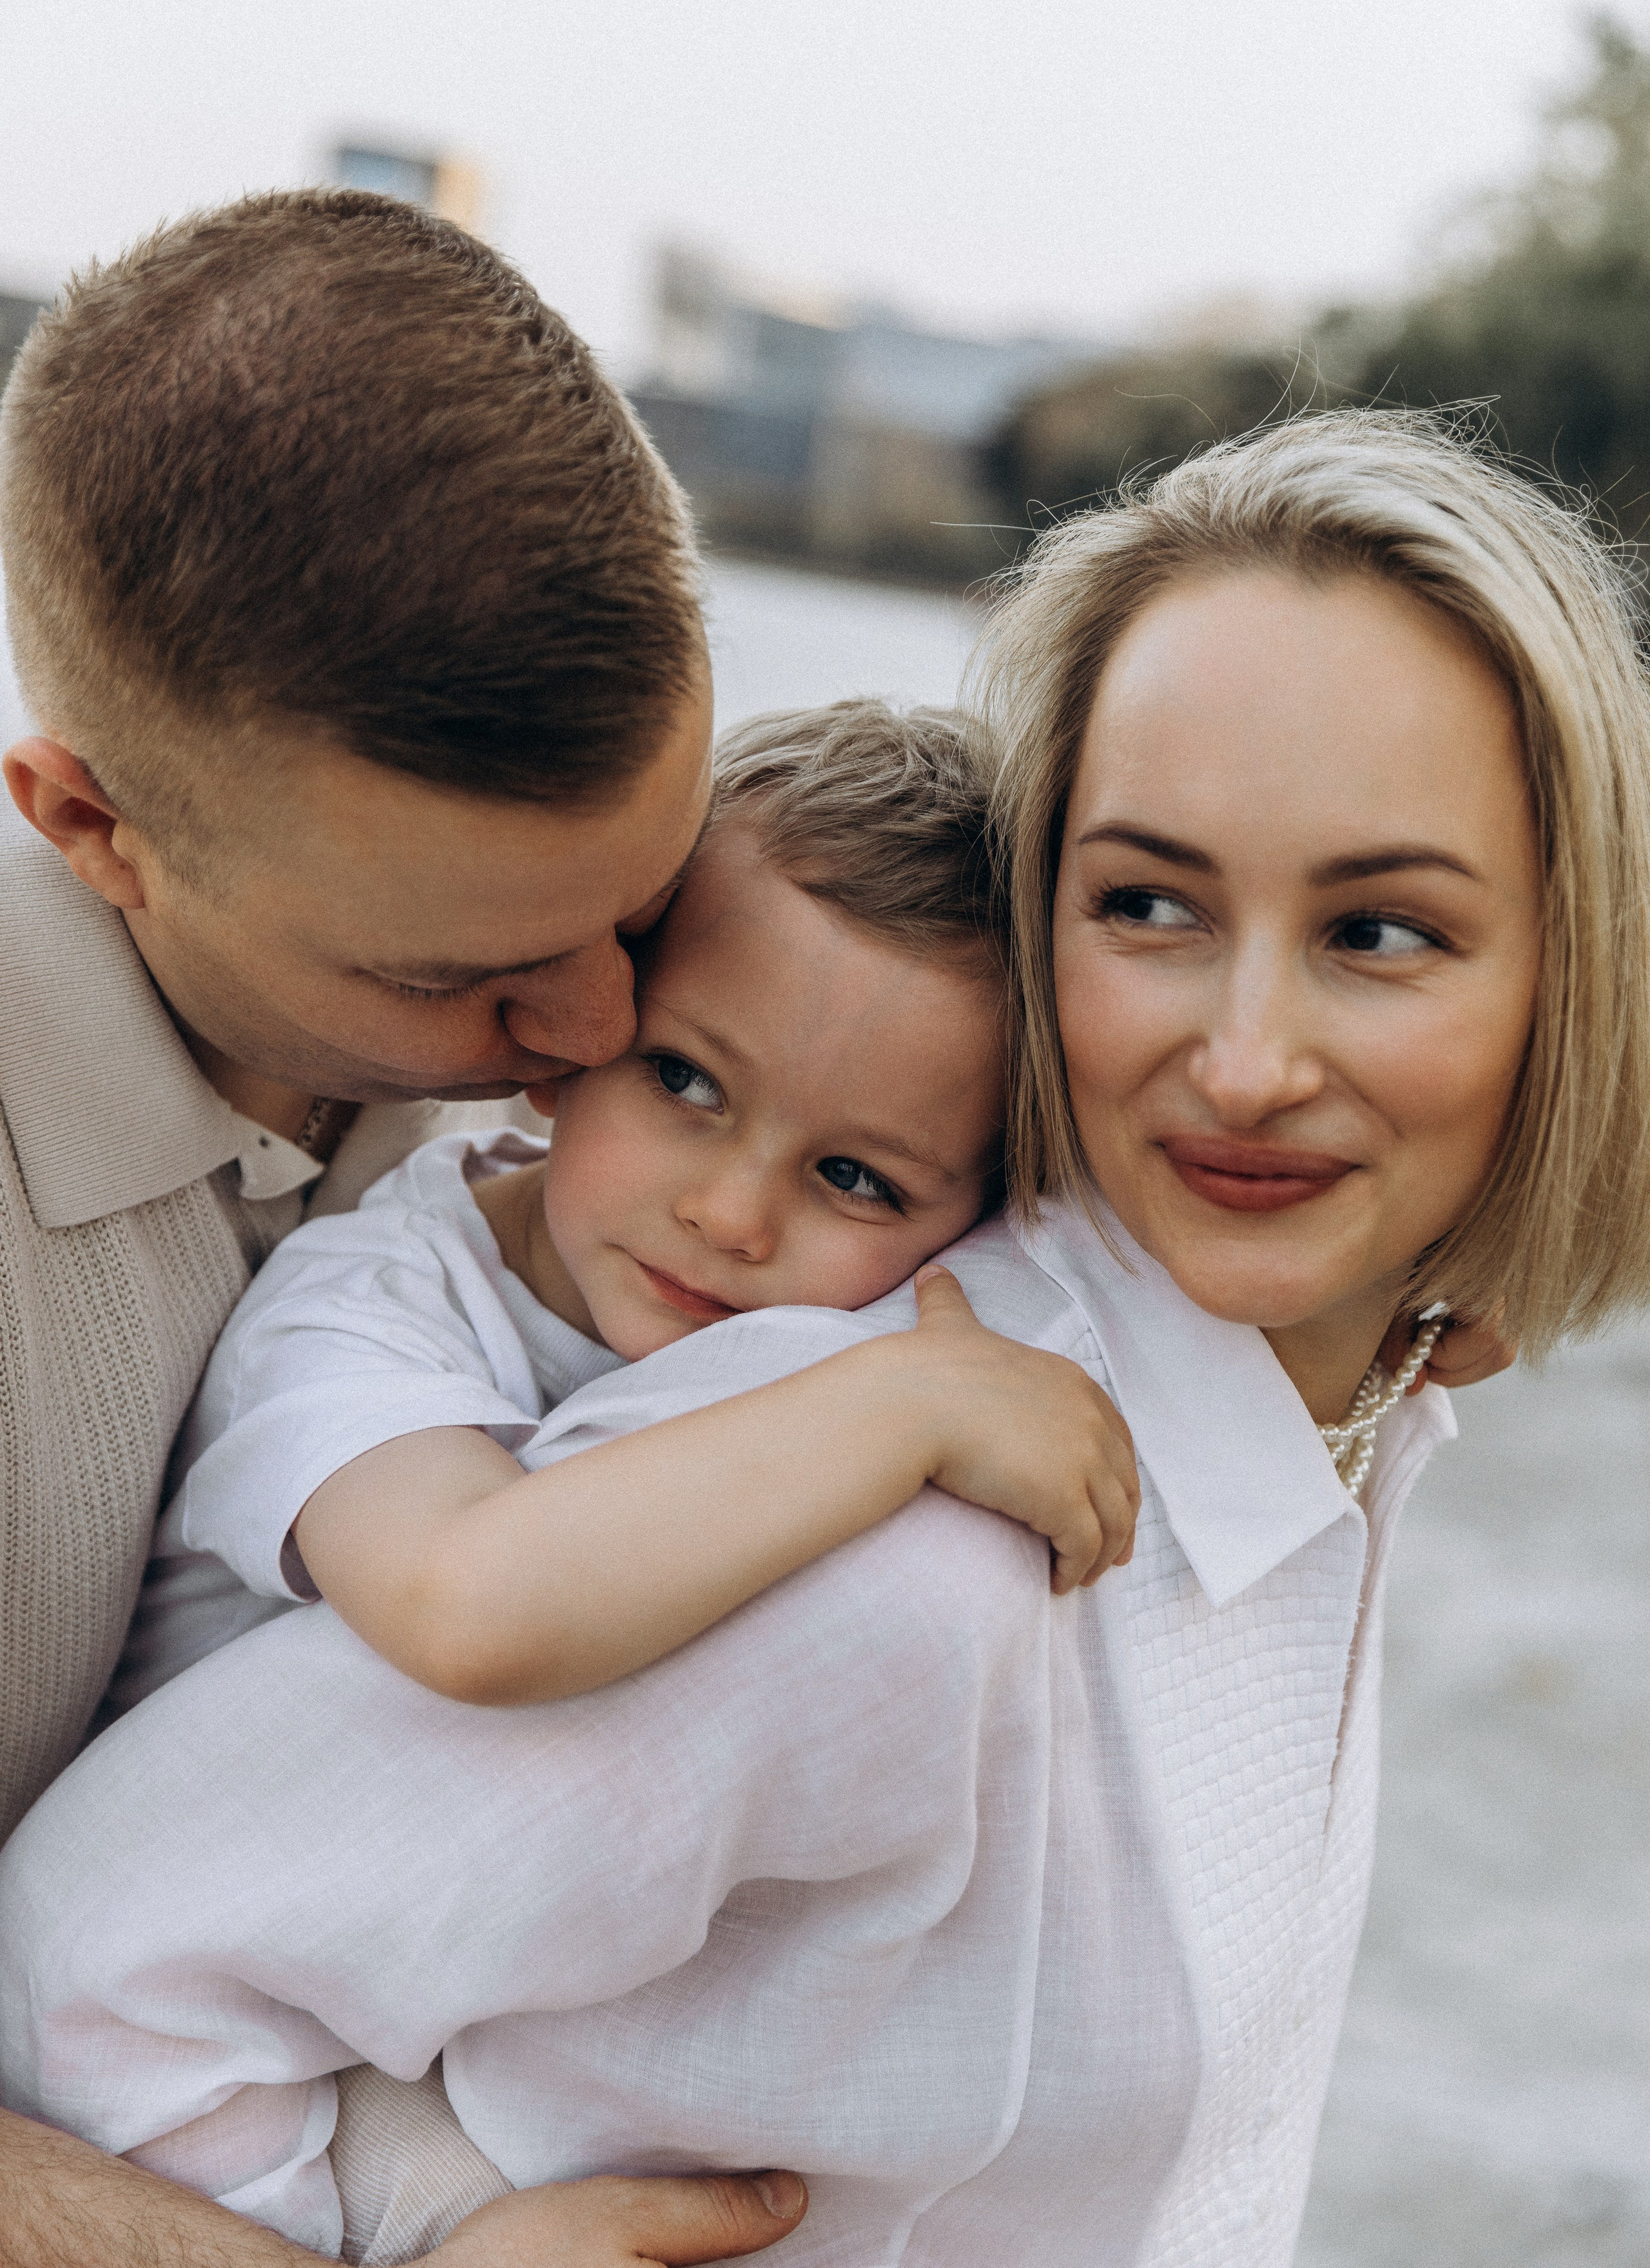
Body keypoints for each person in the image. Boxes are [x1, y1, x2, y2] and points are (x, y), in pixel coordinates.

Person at [7, 410, 1633, 2267]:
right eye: (1148, 903)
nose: (1249, 1061)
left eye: (1385, 930)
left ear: (1576, 971)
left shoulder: (1344, 1393)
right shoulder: (875, 1519)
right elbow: (99, 1958)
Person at [0, 191, 808, 2266]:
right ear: (94, 829)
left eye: (639, 910)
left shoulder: (618, 986)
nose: (609, 1036)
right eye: (468, 980)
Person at [114, 701, 1138, 1722]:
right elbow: (463, 1607)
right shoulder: (351, 1312)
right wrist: (910, 1408)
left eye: (855, 1178)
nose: (733, 1215)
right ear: (573, 1045)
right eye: (686, 1082)